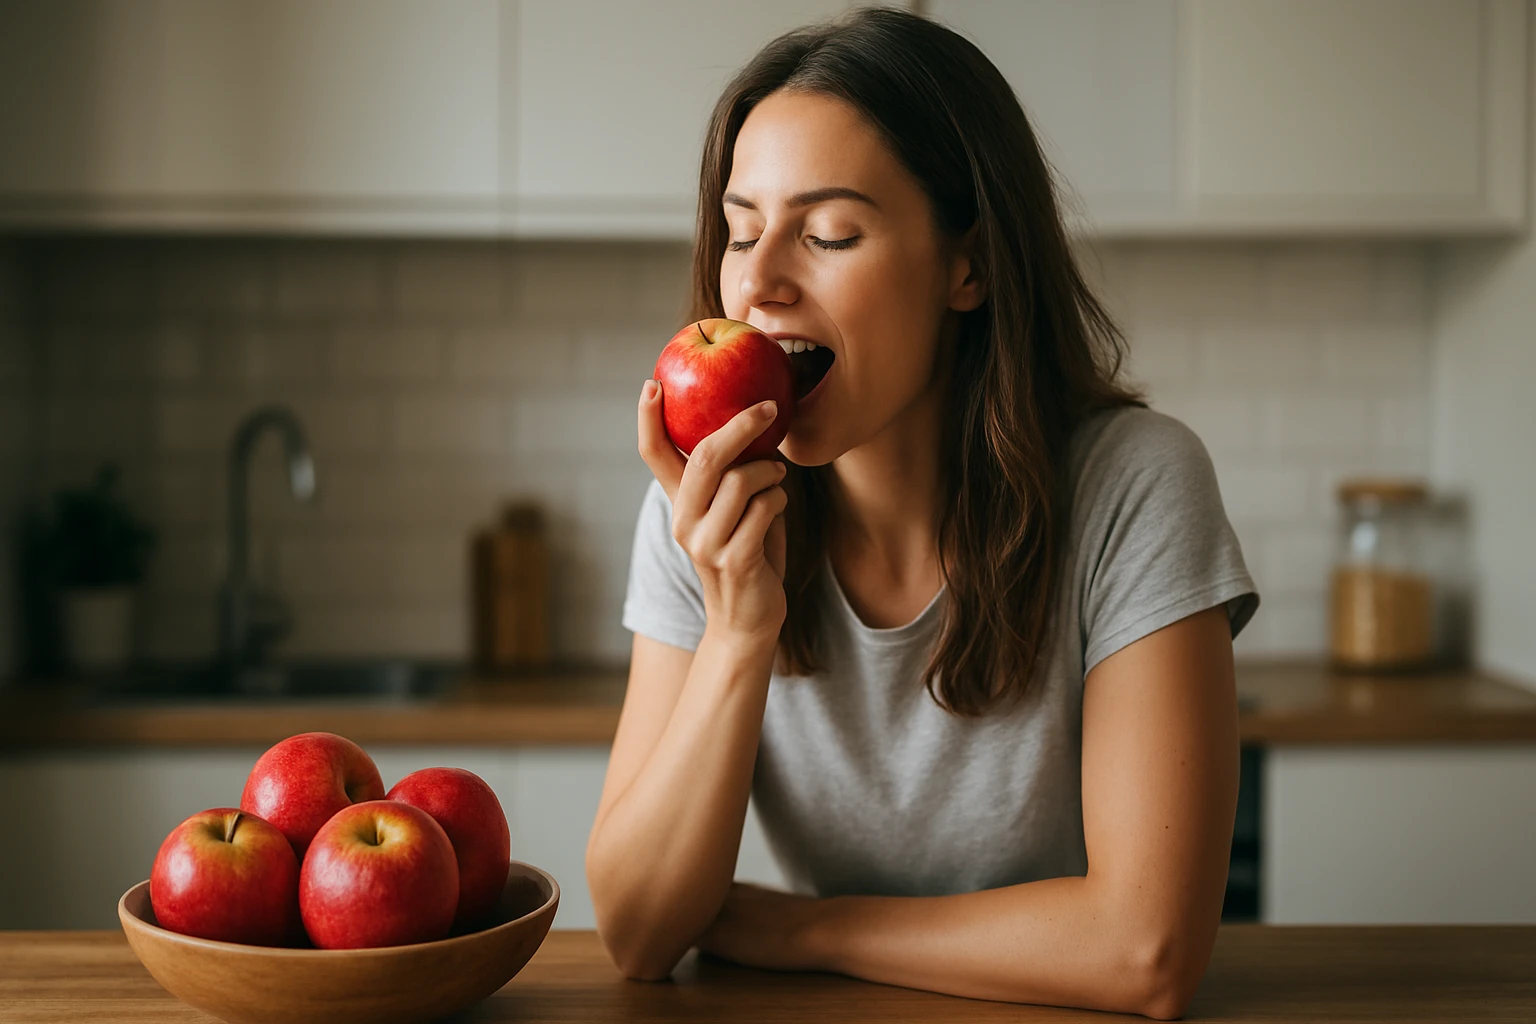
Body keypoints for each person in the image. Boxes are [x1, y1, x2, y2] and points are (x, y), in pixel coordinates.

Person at [585, 7, 1258, 1019]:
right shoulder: (703, 516)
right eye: (741, 230)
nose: (758, 283)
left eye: (828, 233)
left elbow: (1145, 951)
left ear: (969, 265)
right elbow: (640, 933)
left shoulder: (1138, 485)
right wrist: (736, 631)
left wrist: (809, 928)